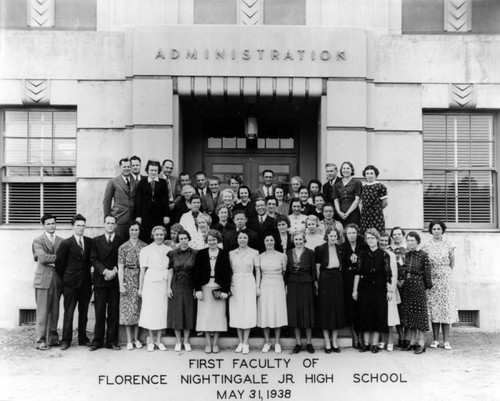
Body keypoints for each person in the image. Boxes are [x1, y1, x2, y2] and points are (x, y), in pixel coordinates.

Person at [55, 214, 92, 350]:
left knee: (84, 312)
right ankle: (66, 340)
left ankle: (83, 338)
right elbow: (59, 264)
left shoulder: (89, 242)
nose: (81, 228)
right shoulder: (66, 243)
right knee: (69, 312)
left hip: (86, 284)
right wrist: (66, 279)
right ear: (73, 227)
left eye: (83, 226)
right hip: (70, 284)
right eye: (78, 225)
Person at [352, 228, 392, 353]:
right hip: (364, 288)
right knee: (365, 315)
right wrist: (355, 290)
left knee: (377, 316)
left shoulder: (384, 254)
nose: (370, 240)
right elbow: (357, 273)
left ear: (377, 239)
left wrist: (389, 291)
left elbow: (388, 274)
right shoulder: (362, 254)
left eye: (372, 238)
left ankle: (374, 344)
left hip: (379, 288)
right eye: (368, 238)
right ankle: (366, 343)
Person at [89, 215, 126, 351]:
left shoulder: (121, 241)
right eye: (108, 223)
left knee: (113, 312)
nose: (110, 225)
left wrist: (114, 272)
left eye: (112, 223)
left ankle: (111, 341)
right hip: (100, 280)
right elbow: (93, 259)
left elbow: (122, 260)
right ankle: (97, 341)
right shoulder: (96, 240)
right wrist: (105, 271)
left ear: (116, 225)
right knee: (99, 312)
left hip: (115, 282)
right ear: (104, 224)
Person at [422, 220, 458, 350]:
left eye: (439, 229)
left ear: (442, 230)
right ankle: (436, 339)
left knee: (445, 308)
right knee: (434, 309)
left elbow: (452, 264)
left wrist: (444, 273)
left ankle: (446, 340)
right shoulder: (426, 246)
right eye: (434, 229)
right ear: (431, 231)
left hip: (445, 279)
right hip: (432, 279)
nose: (436, 231)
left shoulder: (449, 244)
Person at [194, 230, 232, 354]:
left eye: (214, 240)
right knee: (205, 317)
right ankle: (207, 344)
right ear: (206, 241)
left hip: (218, 289)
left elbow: (227, 273)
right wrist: (198, 289)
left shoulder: (224, 253)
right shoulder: (201, 253)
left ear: (218, 240)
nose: (212, 242)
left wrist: (226, 290)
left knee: (218, 317)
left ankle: (215, 344)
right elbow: (196, 273)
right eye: (209, 240)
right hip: (205, 288)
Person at [138, 226, 172, 351]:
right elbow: (142, 270)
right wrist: (140, 288)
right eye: (157, 234)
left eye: (161, 234)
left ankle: (159, 339)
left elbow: (170, 269)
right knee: (150, 311)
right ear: (153, 235)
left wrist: (169, 286)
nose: (159, 237)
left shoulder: (169, 250)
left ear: (164, 235)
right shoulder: (146, 250)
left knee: (162, 311)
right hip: (150, 283)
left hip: (163, 282)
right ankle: (151, 339)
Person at [32, 213, 62, 350]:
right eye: (48, 224)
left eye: (53, 223)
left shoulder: (61, 241)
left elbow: (65, 257)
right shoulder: (38, 240)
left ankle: (53, 339)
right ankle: (40, 341)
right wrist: (58, 259)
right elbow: (42, 258)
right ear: (43, 225)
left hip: (57, 280)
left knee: (55, 312)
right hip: (43, 279)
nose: (51, 226)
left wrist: (53, 261)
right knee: (42, 312)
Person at [400, 231, 432, 354]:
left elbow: (427, 272)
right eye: (408, 240)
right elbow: (404, 269)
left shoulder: (423, 255)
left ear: (417, 241)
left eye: (412, 240)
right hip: (408, 286)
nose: (410, 242)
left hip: (418, 286)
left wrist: (427, 287)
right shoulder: (407, 255)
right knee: (410, 314)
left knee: (419, 314)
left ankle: (422, 342)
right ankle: (412, 342)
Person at [229, 230, 260, 354]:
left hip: (248, 282)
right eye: (240, 237)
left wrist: (257, 286)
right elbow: (229, 271)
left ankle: (246, 342)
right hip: (235, 282)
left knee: (248, 311)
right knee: (236, 311)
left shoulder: (254, 252)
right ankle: (240, 342)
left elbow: (257, 271)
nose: (242, 239)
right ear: (237, 239)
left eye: (244, 237)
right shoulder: (231, 253)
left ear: (248, 239)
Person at [285, 232, 316, 354]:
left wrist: (315, 283)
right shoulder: (288, 253)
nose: (298, 241)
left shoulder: (310, 253)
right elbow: (287, 271)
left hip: (306, 284)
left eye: (300, 239)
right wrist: (286, 285)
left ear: (304, 240)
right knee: (295, 314)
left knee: (307, 313)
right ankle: (298, 343)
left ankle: (309, 342)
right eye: (296, 239)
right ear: (293, 240)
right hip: (293, 284)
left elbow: (313, 270)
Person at [117, 221, 147, 350]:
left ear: (139, 231)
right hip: (127, 279)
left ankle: (137, 338)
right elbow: (120, 267)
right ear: (128, 231)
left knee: (138, 309)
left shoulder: (144, 246)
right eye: (132, 230)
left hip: (140, 278)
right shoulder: (123, 247)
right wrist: (121, 285)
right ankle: (129, 340)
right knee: (127, 311)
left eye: (136, 230)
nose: (134, 232)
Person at [315, 228, 345, 353]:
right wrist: (318, 283)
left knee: (336, 309)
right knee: (326, 310)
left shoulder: (340, 248)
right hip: (325, 279)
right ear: (326, 236)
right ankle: (327, 342)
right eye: (331, 236)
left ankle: (334, 341)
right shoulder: (320, 249)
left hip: (337, 278)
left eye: (335, 236)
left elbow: (341, 265)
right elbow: (317, 268)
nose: (333, 238)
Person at [167, 230, 197, 352]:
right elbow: (170, 270)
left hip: (189, 284)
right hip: (176, 284)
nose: (183, 241)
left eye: (185, 238)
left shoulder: (195, 253)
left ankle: (186, 341)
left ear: (188, 239)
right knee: (177, 312)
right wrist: (168, 287)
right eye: (181, 238)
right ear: (178, 240)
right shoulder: (172, 254)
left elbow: (196, 272)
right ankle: (178, 341)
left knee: (188, 312)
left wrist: (196, 287)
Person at [257, 235, 287, 353]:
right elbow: (259, 273)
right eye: (267, 240)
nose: (269, 242)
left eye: (271, 240)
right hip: (265, 285)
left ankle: (277, 342)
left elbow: (284, 271)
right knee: (265, 312)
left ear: (275, 242)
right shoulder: (260, 256)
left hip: (278, 285)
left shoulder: (281, 256)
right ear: (264, 242)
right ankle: (267, 342)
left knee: (277, 312)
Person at [339, 223, 364, 348]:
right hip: (348, 280)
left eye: (354, 233)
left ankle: (362, 337)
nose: (352, 235)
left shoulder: (363, 246)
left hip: (362, 280)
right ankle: (355, 338)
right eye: (349, 233)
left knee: (361, 309)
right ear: (345, 234)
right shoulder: (342, 247)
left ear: (357, 233)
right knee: (351, 310)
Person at [135, 160, 171, 244]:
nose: (153, 172)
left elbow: (166, 200)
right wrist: (138, 216)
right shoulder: (142, 182)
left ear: (158, 171)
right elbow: (138, 200)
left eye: (155, 170)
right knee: (146, 235)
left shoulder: (163, 183)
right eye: (151, 170)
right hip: (146, 214)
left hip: (159, 214)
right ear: (147, 170)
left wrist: (166, 215)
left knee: (158, 234)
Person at [103, 157, 137, 239]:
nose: (127, 169)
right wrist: (108, 217)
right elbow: (107, 200)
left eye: (128, 167)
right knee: (118, 242)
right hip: (119, 218)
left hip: (132, 219)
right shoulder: (113, 182)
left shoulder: (136, 182)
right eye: (124, 167)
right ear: (120, 167)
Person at [379, 231, 401, 352]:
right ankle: (382, 339)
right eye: (381, 240)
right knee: (381, 315)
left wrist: (391, 289)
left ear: (388, 242)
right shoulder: (376, 253)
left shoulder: (391, 255)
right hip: (378, 288)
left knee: (390, 315)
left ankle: (391, 340)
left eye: (385, 241)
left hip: (389, 289)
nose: (383, 243)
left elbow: (394, 273)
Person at [388, 226, 408, 348]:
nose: (396, 236)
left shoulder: (408, 248)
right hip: (394, 284)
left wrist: (405, 280)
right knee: (398, 310)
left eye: (398, 234)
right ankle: (400, 336)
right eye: (394, 234)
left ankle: (407, 337)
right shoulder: (389, 249)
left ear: (403, 235)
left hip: (407, 283)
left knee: (406, 311)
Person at [359, 165, 388, 236]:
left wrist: (376, 210)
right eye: (367, 173)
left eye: (371, 173)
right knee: (365, 235)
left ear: (376, 174)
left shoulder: (380, 186)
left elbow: (385, 203)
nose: (369, 175)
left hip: (376, 216)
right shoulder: (364, 187)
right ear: (365, 175)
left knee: (378, 234)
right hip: (365, 216)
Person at [334, 161, 362, 227]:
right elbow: (336, 200)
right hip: (341, 213)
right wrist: (339, 212)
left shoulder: (357, 182)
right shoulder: (337, 185)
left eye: (348, 168)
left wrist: (347, 213)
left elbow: (357, 199)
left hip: (353, 213)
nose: (345, 170)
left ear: (351, 170)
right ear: (341, 170)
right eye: (344, 168)